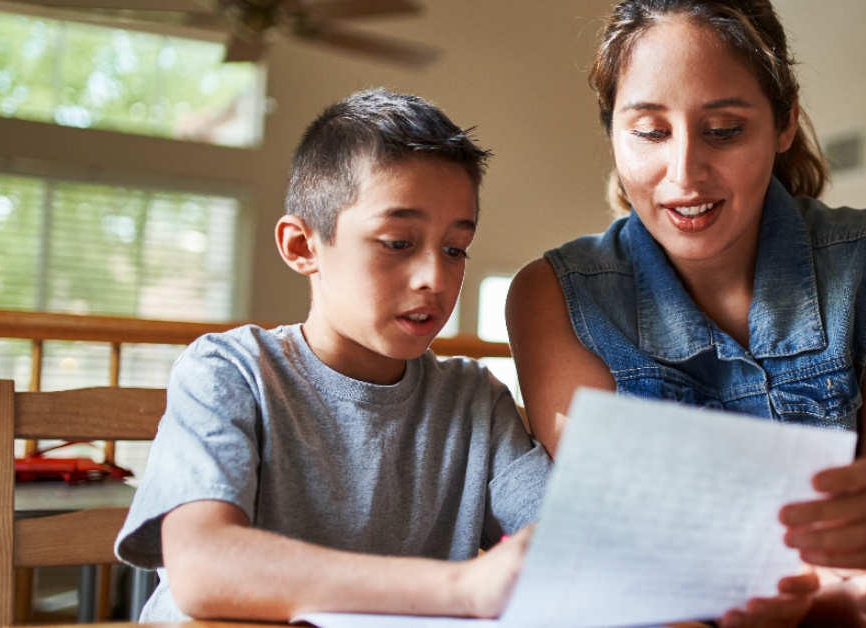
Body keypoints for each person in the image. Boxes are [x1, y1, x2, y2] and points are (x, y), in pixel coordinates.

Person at [507, 0, 866, 624]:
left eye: (725, 130)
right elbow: (635, 540)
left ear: (784, 123)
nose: (685, 173)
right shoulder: (553, 297)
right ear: (612, 132)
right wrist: (837, 589)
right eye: (650, 132)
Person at [113, 89, 551, 622]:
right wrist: (459, 586)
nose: (435, 278)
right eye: (397, 242)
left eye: (455, 249)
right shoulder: (230, 371)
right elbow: (201, 567)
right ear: (303, 247)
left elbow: (564, 546)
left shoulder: (474, 400)